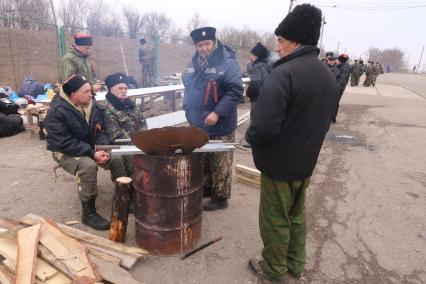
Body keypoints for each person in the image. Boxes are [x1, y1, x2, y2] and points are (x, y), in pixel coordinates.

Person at [245, 4, 336, 283]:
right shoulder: (327, 75)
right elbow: (328, 117)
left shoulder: (283, 74)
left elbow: (263, 126)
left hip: (279, 165)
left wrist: (250, 138)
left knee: (275, 219)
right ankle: (296, 264)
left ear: (295, 41)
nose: (278, 46)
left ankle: (272, 270)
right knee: (297, 215)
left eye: (281, 40)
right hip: (305, 162)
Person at [44, 74, 128, 231]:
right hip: (64, 151)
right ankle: (88, 213)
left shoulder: (92, 105)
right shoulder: (56, 111)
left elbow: (101, 130)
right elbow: (63, 142)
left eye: (90, 90)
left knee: (115, 157)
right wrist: (91, 153)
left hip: (89, 147)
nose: (91, 94)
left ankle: (123, 199)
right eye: (86, 91)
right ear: (73, 95)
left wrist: (102, 147)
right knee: (88, 166)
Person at [182, 26, 243, 211]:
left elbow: (235, 91)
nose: (204, 48)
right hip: (200, 121)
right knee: (206, 159)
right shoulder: (195, 62)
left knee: (221, 161)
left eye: (207, 43)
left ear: (214, 42)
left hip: (220, 122)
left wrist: (217, 112)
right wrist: (188, 109)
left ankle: (221, 198)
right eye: (200, 45)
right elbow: (188, 84)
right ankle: (207, 189)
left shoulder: (228, 62)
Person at [101, 72, 147, 175]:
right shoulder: (107, 108)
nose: (124, 91)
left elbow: (142, 122)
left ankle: (141, 181)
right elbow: (116, 135)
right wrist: (137, 143)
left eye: (125, 88)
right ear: (111, 90)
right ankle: (127, 185)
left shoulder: (131, 104)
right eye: (120, 88)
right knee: (131, 157)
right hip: (119, 144)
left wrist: (144, 138)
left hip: (136, 141)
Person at [246, 42, 272, 106]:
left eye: (252, 55)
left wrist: (248, 93)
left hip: (257, 100)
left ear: (256, 56)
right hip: (267, 98)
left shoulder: (257, 66)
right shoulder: (267, 65)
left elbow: (255, 85)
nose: (251, 56)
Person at [331, 54, 351, 123]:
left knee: (334, 103)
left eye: (337, 59)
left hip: (338, 89)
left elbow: (342, 82)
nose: (335, 61)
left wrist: (335, 90)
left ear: (340, 61)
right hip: (333, 87)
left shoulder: (345, 69)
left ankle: (332, 118)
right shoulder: (337, 66)